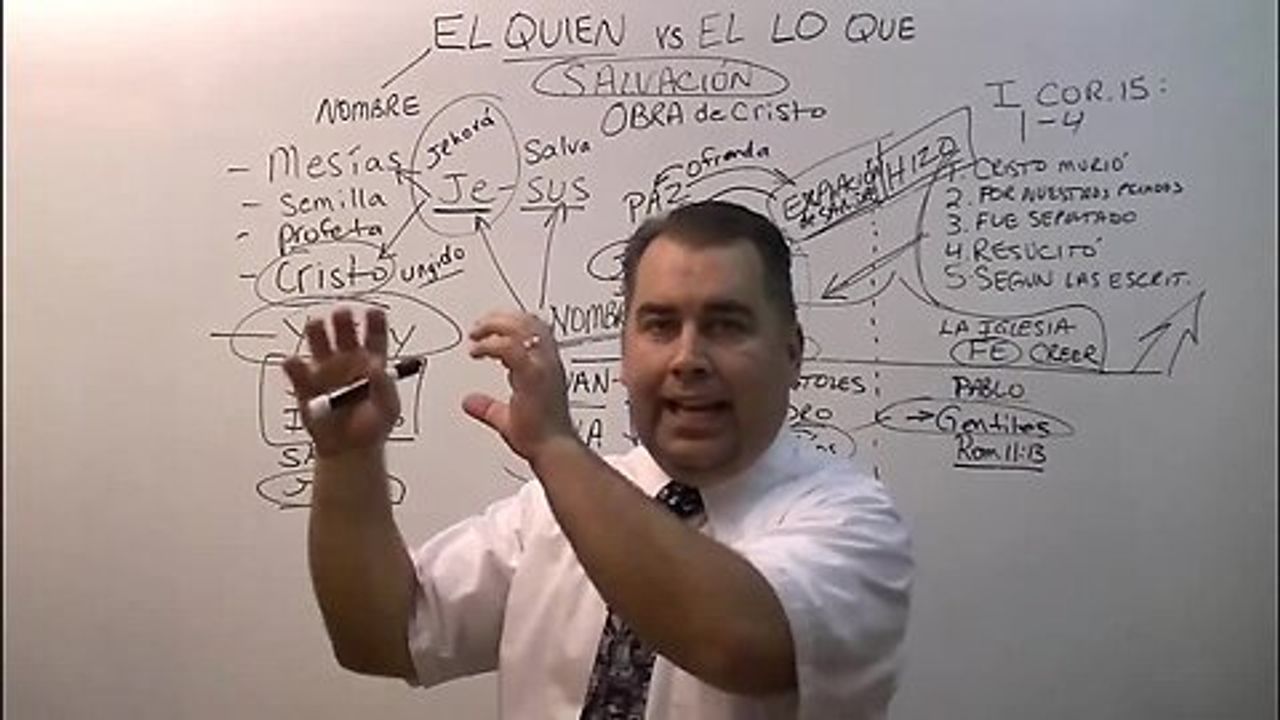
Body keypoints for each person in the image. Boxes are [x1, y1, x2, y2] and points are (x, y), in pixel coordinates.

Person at [282, 200, 913, 719]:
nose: (688, 359)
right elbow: (382, 639)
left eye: (726, 325)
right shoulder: (555, 506)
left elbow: (734, 641)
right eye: (660, 326)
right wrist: (349, 460)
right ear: (624, 355)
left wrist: (555, 447)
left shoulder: (851, 518)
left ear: (792, 353)